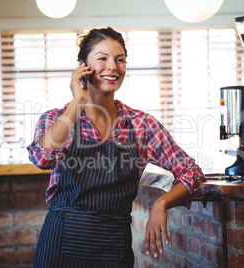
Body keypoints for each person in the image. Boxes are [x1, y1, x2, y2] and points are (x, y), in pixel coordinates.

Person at [27, 26, 206, 268]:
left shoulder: (142, 124)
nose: (113, 66)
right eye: (102, 58)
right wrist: (76, 102)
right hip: (61, 245)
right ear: (82, 67)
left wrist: (161, 203)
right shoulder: (57, 119)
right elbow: (42, 158)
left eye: (120, 59)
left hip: (114, 247)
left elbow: (191, 171)